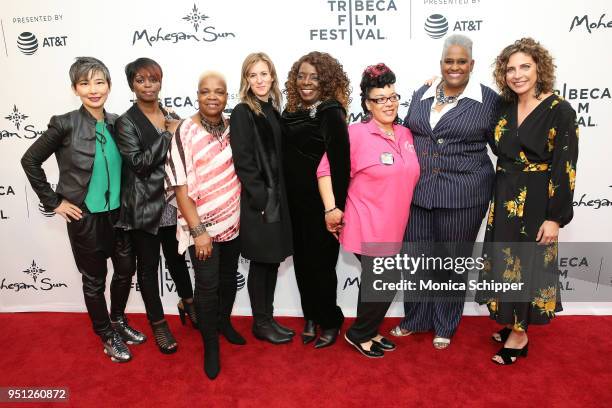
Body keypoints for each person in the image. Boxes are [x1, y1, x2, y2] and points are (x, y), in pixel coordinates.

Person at [21, 57, 145, 362]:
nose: (93, 89)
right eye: (85, 83)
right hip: (85, 216)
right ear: (75, 89)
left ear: (109, 86)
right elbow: (30, 160)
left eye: (99, 82)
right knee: (94, 279)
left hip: (121, 214)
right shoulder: (64, 123)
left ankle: (117, 320)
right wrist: (54, 201)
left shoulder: (119, 122)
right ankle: (105, 333)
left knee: (126, 271)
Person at [393, 34, 500, 349]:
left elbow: (504, 144)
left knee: (451, 262)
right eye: (449, 61)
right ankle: (416, 319)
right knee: (416, 260)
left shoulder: (490, 100)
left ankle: (444, 324)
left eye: (461, 61)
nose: (455, 67)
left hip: (464, 194)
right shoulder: (422, 92)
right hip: (419, 192)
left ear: (472, 64)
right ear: (441, 63)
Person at [477, 38, 578, 365]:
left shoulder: (560, 110)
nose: (517, 74)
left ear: (539, 68)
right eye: (510, 69)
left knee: (527, 265)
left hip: (537, 199)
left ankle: (520, 335)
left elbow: (566, 166)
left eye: (525, 67)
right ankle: (512, 321)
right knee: (507, 263)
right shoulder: (504, 107)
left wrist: (555, 218)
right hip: (505, 193)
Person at [318, 63, 420, 358]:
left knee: (380, 283)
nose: (388, 104)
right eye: (379, 98)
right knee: (384, 280)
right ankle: (359, 333)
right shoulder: (355, 134)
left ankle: (370, 329)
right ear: (367, 103)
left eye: (392, 97)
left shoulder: (405, 134)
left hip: (394, 226)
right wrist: (330, 210)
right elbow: (324, 170)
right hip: (365, 223)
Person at [165, 71, 244, 379]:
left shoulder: (233, 128)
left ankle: (223, 323)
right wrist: (198, 232)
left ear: (227, 97)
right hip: (203, 228)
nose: (212, 97)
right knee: (207, 288)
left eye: (219, 92)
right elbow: (180, 185)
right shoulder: (185, 130)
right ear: (197, 95)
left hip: (233, 221)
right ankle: (211, 344)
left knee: (227, 280)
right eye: (205, 91)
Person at [115, 58, 192, 354]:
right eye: (141, 80)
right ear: (132, 85)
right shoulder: (126, 122)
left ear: (161, 82)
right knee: (148, 269)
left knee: (176, 260)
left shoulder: (170, 114)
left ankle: (189, 304)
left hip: (172, 204)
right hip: (144, 209)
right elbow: (139, 164)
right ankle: (159, 325)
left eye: (153, 79)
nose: (148, 85)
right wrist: (167, 134)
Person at [282, 51, 350, 348]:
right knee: (302, 264)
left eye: (314, 76)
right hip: (294, 204)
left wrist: (334, 208)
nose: (306, 82)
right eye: (301, 76)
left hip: (323, 206)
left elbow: (340, 164)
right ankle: (311, 315)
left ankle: (331, 320)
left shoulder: (331, 111)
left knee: (323, 266)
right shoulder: (289, 111)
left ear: (326, 81)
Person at [230, 52, 295, 345]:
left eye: (264, 73)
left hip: (277, 200)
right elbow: (243, 160)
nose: (259, 80)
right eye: (252, 75)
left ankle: (267, 319)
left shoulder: (272, 109)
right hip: (260, 203)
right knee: (260, 262)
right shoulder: (244, 112)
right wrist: (260, 198)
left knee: (270, 262)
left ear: (272, 76)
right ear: (246, 80)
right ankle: (261, 323)